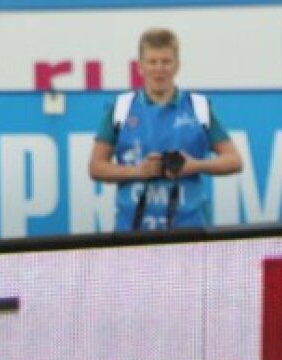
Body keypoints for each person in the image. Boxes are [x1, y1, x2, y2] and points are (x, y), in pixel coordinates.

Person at [88, 28, 242, 231]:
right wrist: (137, 171)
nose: (159, 69)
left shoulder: (198, 107)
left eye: (166, 61)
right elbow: (96, 166)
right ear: (140, 66)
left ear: (177, 65)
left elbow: (234, 160)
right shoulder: (121, 108)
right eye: (152, 61)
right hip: (132, 232)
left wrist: (194, 166)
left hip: (190, 231)